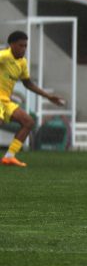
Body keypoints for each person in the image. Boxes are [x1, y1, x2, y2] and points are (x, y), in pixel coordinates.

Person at [1, 30, 67, 167]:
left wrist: (48, 96)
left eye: (25, 46)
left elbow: (28, 83)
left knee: (28, 122)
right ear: (11, 45)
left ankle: (9, 156)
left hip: (5, 101)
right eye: (21, 45)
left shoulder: (22, 63)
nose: (23, 49)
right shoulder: (4, 56)